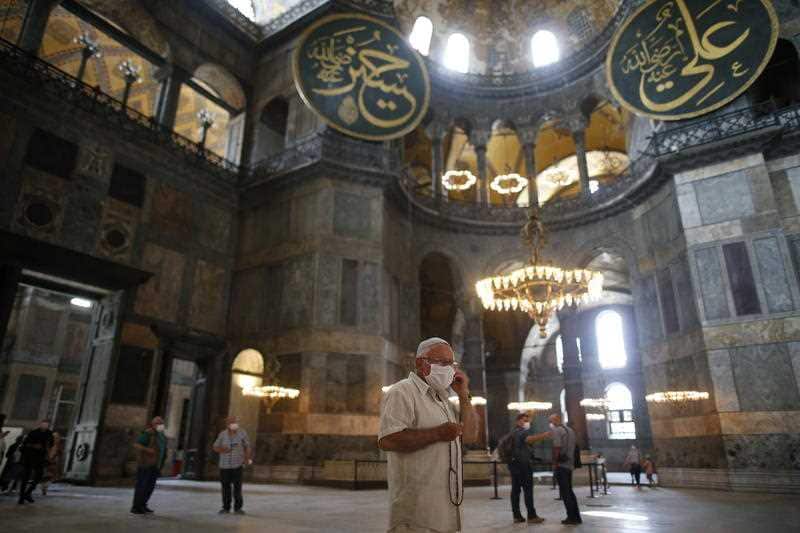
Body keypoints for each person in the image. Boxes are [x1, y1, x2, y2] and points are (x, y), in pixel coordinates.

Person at [378, 337, 479, 532]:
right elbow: (388, 440)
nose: (449, 369)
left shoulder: (443, 399)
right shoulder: (402, 392)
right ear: (420, 363)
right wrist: (438, 433)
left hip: (447, 509)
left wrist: (464, 395)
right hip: (417, 514)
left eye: (451, 364)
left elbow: (470, 436)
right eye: (442, 362)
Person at [527, 413, 582, 525]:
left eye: (551, 421)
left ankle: (571, 517)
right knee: (569, 491)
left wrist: (554, 463)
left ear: (556, 420)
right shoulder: (570, 430)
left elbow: (557, 448)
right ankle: (576, 516)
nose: (550, 424)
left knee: (565, 492)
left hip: (562, 465)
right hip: (569, 463)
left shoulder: (557, 430)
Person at [507, 413, 545, 524]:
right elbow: (530, 439)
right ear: (518, 421)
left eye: (528, 421)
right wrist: (545, 435)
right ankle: (532, 516)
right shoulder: (521, 432)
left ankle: (517, 516)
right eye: (524, 420)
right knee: (528, 490)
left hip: (514, 465)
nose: (527, 423)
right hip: (523, 466)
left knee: (515, 491)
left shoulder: (512, 432)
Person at [212, 415, 252, 514]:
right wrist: (223, 449)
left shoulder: (242, 433)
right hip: (224, 465)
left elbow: (247, 446)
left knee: (237, 487)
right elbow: (215, 447)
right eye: (231, 422)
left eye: (235, 422)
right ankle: (226, 507)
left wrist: (247, 458)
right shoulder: (222, 434)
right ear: (227, 424)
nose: (234, 424)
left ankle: (238, 508)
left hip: (237, 464)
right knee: (225, 487)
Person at [131, 416, 167, 515]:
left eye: (162, 423)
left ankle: (143, 505)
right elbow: (136, 444)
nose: (161, 425)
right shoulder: (148, 433)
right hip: (146, 464)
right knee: (142, 485)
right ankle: (136, 507)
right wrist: (148, 450)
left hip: (156, 465)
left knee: (149, 486)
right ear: (153, 424)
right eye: (158, 423)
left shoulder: (162, 436)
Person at [17, 419, 54, 504]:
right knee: (26, 477)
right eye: (43, 424)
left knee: (39, 476)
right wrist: (34, 446)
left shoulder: (49, 433)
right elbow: (25, 444)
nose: (45, 426)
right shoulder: (33, 432)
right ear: (40, 424)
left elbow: (50, 445)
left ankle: (28, 493)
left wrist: (48, 456)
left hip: (40, 457)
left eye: (46, 424)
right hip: (29, 456)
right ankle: (22, 497)